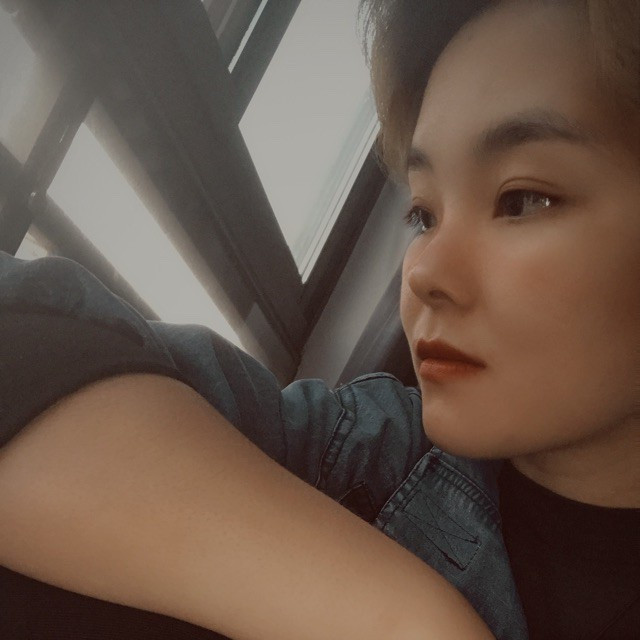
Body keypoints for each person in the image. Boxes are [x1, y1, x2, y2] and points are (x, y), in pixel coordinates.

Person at [0, 0, 638, 638]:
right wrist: (402, 619)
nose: (422, 272)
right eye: (425, 215)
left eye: (522, 200)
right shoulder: (367, 458)